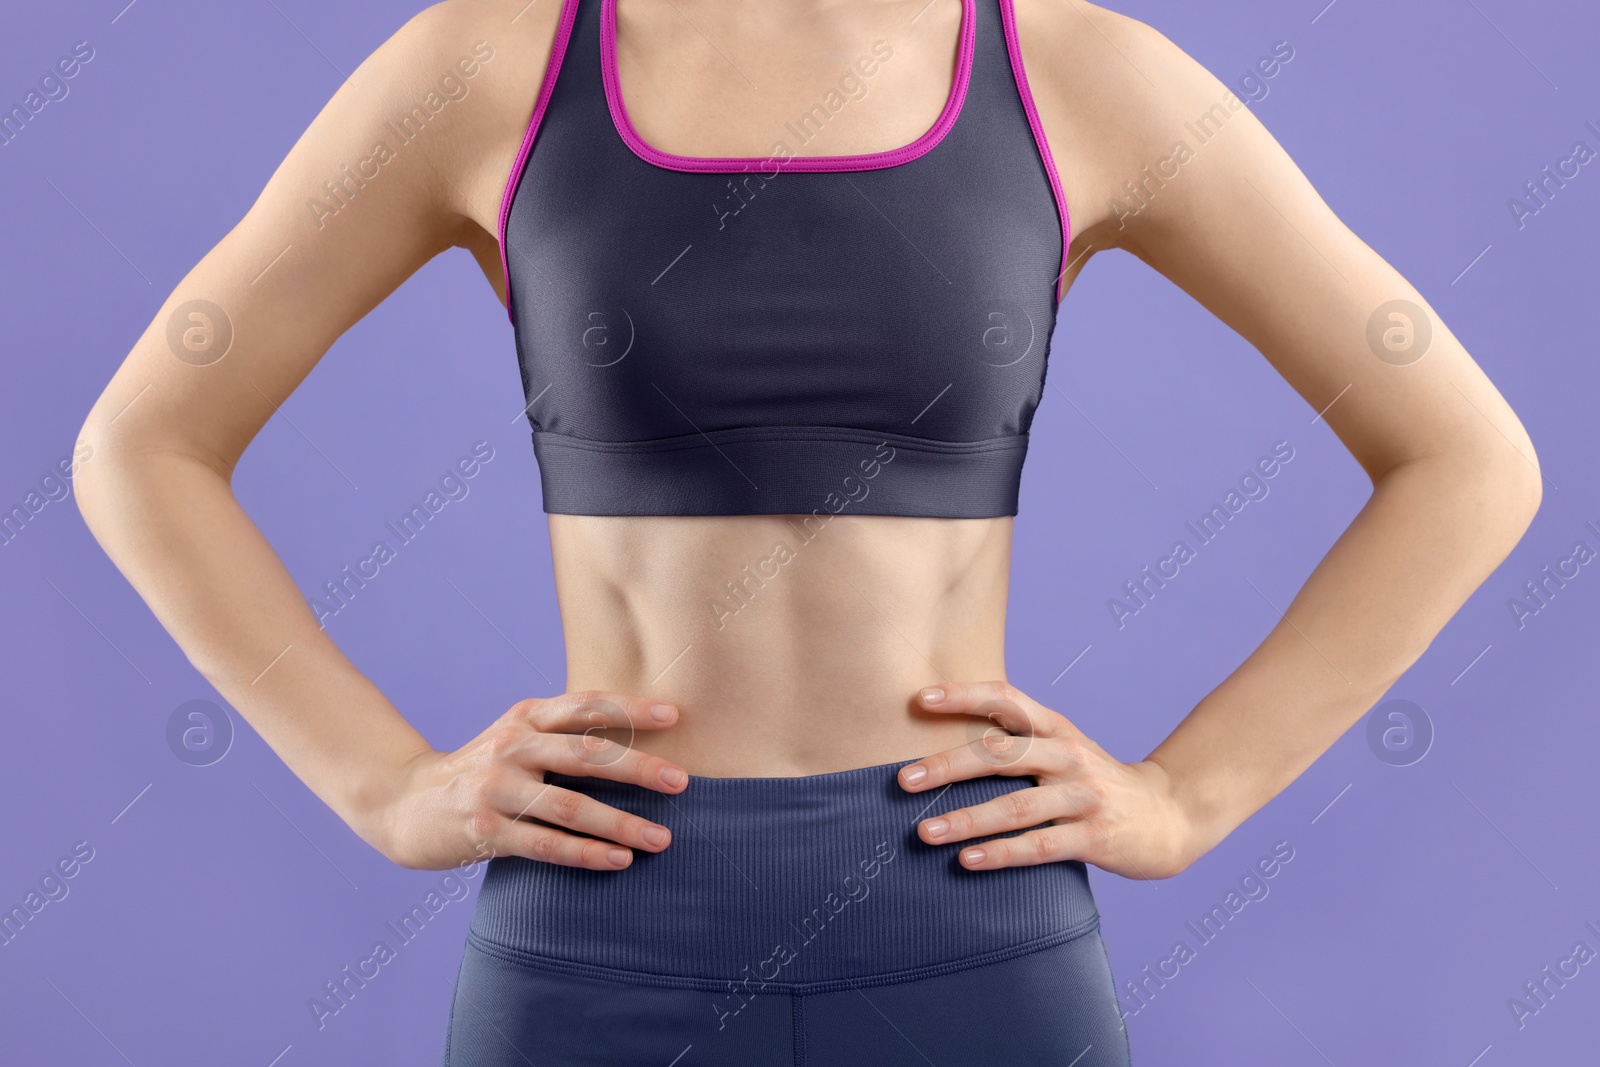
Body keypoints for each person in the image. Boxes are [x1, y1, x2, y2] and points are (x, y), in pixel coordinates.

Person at [72, 0, 1541, 1063]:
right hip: (598, 938)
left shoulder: (1076, 75)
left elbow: (1467, 461)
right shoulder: (487, 65)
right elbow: (143, 446)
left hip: (968, 925)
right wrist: (387, 787)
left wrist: (1187, 797)